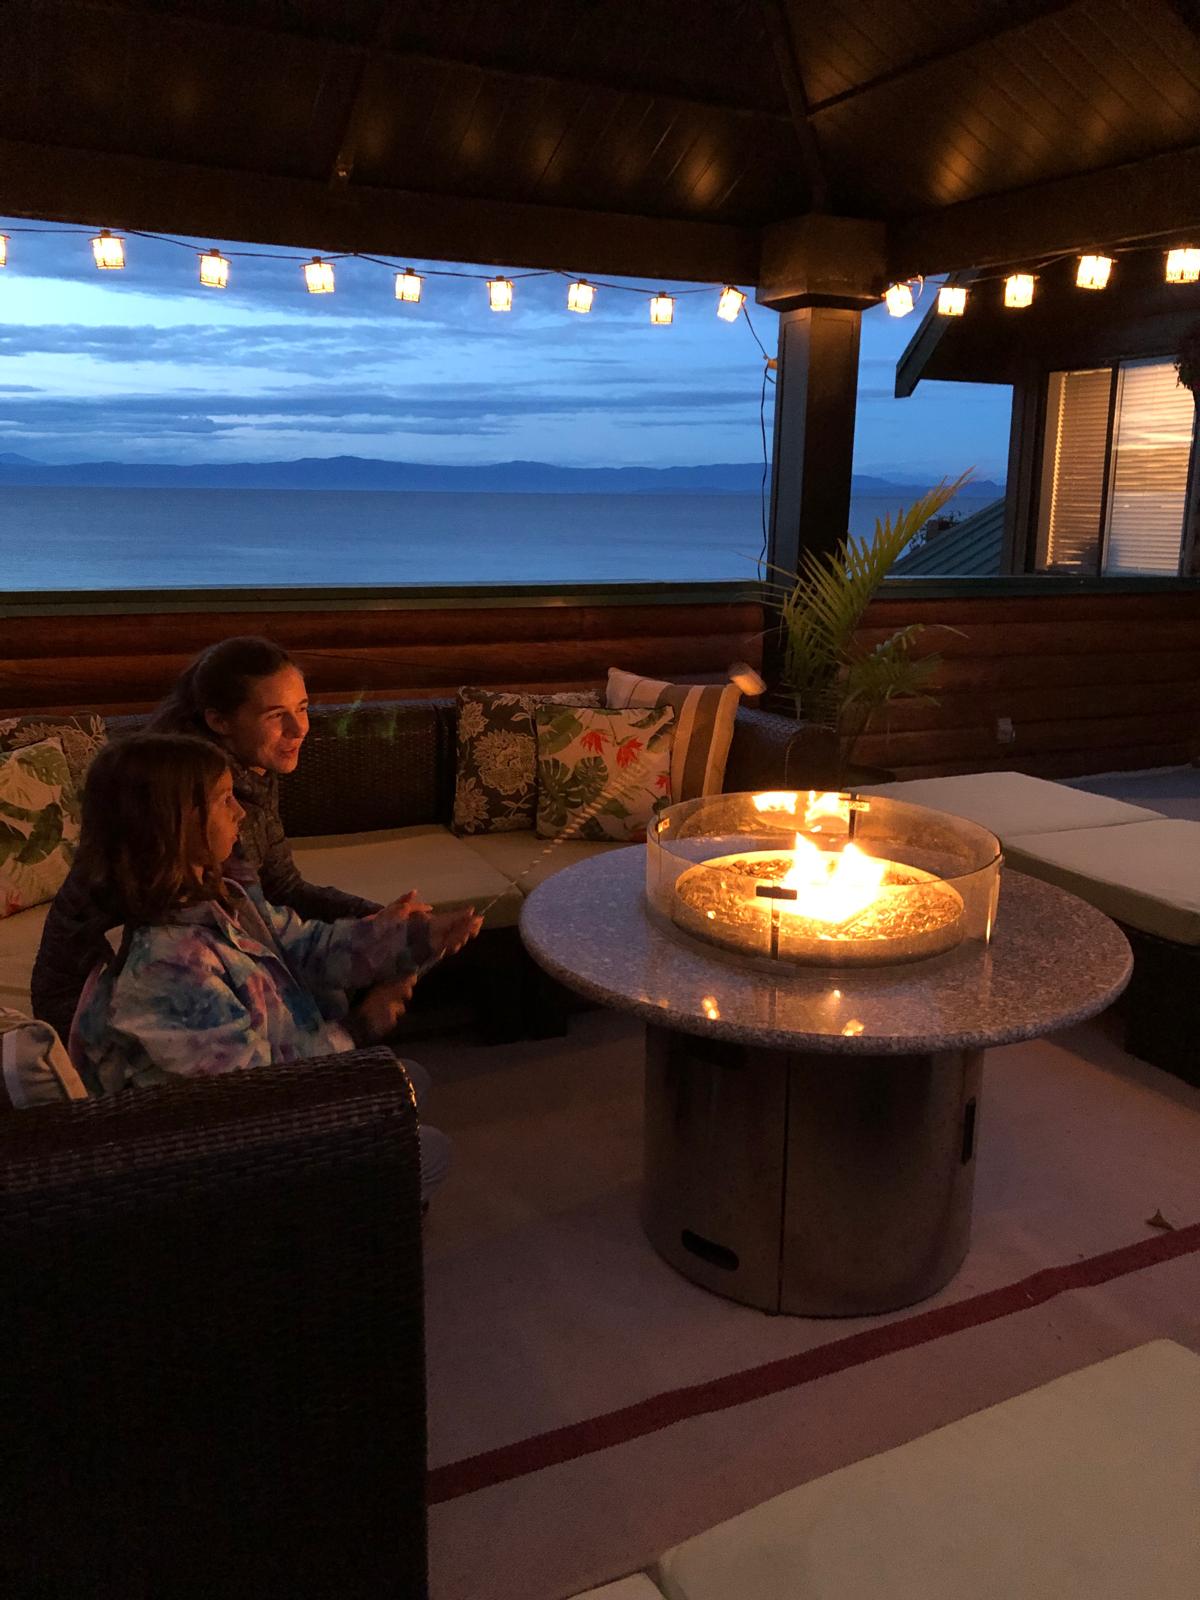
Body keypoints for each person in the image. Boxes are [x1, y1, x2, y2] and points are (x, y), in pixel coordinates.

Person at [69, 735, 479, 1204]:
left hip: (280, 1096)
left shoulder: (221, 899)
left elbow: (309, 946)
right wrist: (359, 1027)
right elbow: (256, 1091)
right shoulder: (165, 968)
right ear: (174, 824)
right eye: (224, 799)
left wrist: (417, 938)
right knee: (429, 1151)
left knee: (407, 1079)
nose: (240, 813)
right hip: (234, 1156)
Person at [33, 636, 377, 1043]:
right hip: (97, 1014)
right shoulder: (191, 801)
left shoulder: (249, 769)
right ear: (219, 721)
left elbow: (280, 888)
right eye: (275, 715)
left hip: (165, 974)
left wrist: (376, 920)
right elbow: (245, 926)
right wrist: (360, 1018)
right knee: (330, 995)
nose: (300, 727)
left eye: (302, 708)